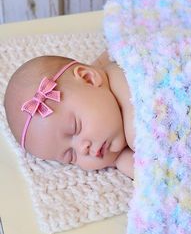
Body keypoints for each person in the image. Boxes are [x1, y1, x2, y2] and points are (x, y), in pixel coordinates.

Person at [4, 52, 135, 179]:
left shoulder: (124, 76)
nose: (83, 148)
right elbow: (151, 173)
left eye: (76, 127)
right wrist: (120, 159)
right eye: (71, 156)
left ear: (88, 79)